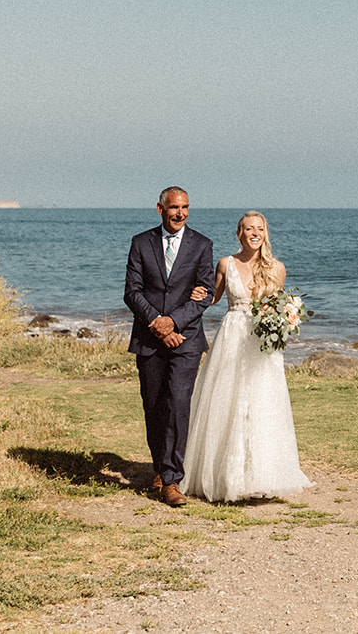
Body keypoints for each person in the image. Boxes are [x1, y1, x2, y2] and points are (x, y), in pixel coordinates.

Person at [180, 210, 313, 502]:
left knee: (261, 401)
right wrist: (187, 297)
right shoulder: (226, 263)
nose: (255, 233)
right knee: (226, 401)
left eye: (260, 229)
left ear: (266, 234)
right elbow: (210, 298)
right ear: (239, 233)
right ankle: (225, 476)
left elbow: (278, 305)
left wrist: (286, 318)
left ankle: (260, 475)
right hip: (231, 337)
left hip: (260, 341)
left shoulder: (276, 268)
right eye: (249, 228)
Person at [124, 186, 215, 506]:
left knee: (178, 404)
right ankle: (160, 468)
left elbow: (206, 293)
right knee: (154, 407)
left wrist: (174, 322)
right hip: (149, 339)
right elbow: (132, 292)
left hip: (187, 340)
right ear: (160, 209)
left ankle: (172, 480)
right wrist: (158, 325)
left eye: (186, 207)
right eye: (174, 207)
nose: (181, 213)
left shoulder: (202, 245)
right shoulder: (140, 243)